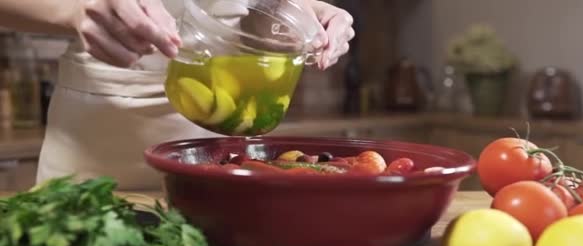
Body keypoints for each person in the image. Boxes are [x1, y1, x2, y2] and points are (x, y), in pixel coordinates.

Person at [0, 0, 355, 190]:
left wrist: (297, 13)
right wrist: (73, 8)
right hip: (94, 156)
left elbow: (252, 10)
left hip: (220, 157)